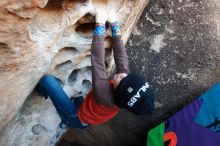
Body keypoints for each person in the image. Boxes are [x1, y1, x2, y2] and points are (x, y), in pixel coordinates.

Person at [36, 10, 155, 129]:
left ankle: (45, 94)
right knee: (79, 99)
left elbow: (97, 60)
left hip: (76, 118)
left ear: (119, 93)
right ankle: (78, 106)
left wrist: (100, 25)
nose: (123, 75)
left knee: (48, 81)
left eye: (123, 80)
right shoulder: (124, 86)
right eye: (128, 77)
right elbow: (120, 55)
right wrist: (114, 25)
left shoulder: (103, 94)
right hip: (89, 110)